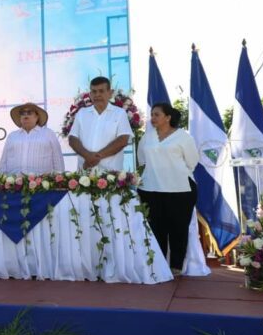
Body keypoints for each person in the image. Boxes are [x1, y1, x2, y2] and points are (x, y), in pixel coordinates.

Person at [137, 102, 199, 276]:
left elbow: (192, 161)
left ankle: (176, 266)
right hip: (150, 189)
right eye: (152, 114)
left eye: (157, 114)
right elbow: (141, 160)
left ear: (168, 117)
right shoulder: (146, 137)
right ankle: (159, 265)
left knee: (178, 228)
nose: (153, 118)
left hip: (180, 190)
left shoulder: (183, 137)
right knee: (156, 228)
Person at [68, 76, 133, 171]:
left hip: (111, 176)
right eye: (94, 91)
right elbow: (72, 138)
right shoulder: (82, 113)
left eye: (101, 91)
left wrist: (95, 157)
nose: (97, 95)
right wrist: (87, 155)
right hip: (84, 176)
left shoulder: (119, 113)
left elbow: (123, 140)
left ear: (110, 93)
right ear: (90, 94)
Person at [0, 102, 64, 175]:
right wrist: (1, 181)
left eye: (29, 113)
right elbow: (3, 162)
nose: (26, 115)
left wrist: (59, 180)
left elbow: (58, 160)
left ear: (37, 117)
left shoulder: (48, 134)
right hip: (14, 183)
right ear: (20, 117)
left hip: (42, 183)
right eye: (22, 113)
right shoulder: (12, 136)